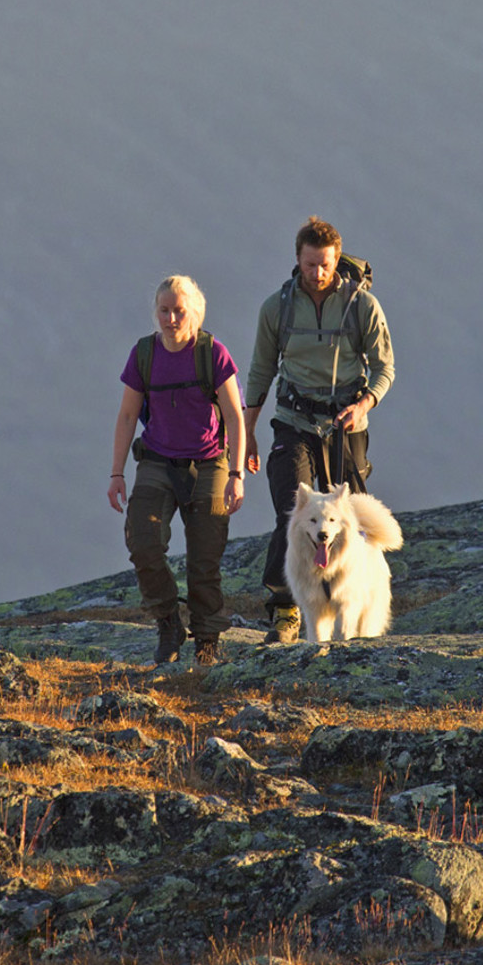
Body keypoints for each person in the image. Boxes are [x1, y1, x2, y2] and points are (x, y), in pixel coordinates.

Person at [243, 216, 395, 640]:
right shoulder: (278, 308)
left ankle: (357, 603)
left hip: (346, 424)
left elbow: (385, 367)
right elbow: (260, 371)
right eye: (310, 265)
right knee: (293, 512)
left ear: (337, 259)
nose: (318, 273)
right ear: (297, 260)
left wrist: (364, 403)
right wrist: (248, 433)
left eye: (325, 264)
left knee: (353, 518)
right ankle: (285, 610)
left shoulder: (362, 305)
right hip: (292, 422)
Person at [109, 275, 246, 666]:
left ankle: (207, 640)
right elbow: (127, 415)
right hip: (156, 461)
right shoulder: (143, 355)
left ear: (195, 313)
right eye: (164, 311)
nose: (171, 319)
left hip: (208, 464)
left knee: (205, 558)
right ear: (155, 313)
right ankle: (168, 622)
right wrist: (116, 474)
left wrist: (237, 475)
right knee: (143, 539)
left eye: (179, 311)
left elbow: (235, 418)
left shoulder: (213, 354)